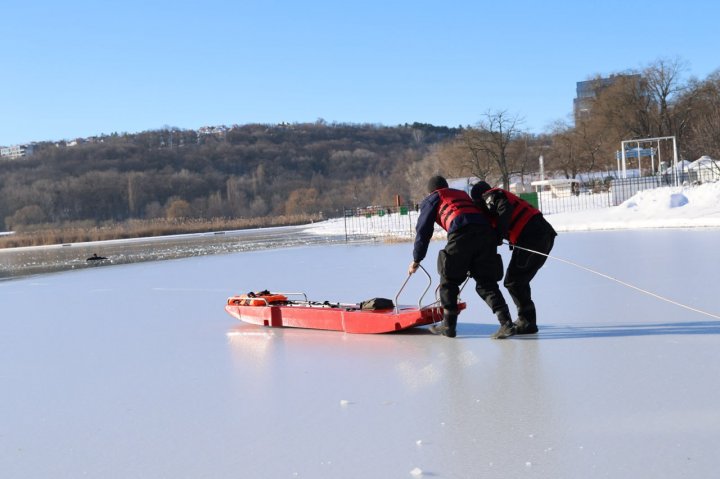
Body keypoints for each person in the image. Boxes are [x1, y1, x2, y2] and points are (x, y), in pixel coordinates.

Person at [408, 175, 515, 339]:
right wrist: (495, 237)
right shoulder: (462, 194)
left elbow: (423, 231)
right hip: (485, 234)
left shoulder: (433, 198)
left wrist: (417, 259)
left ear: (431, 190)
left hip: (461, 234)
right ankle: (506, 323)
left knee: (449, 280)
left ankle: (448, 326)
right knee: (486, 283)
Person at [470, 181, 557, 334]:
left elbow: (504, 208)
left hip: (533, 237)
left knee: (514, 281)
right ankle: (527, 320)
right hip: (540, 234)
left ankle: (527, 321)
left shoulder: (490, 196)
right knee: (518, 280)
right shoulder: (497, 195)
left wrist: (498, 235)